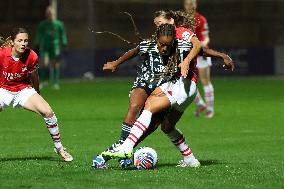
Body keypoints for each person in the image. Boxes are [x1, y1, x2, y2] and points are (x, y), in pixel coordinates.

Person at [93, 11, 234, 169]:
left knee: (150, 106)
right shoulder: (154, 41)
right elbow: (136, 50)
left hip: (183, 85)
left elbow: (200, 48)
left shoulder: (181, 37)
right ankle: (190, 160)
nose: (164, 48)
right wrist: (224, 56)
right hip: (183, 88)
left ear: (171, 23)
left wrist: (192, 60)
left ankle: (125, 147)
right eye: (157, 24)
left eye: (160, 22)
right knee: (167, 127)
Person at [0, 28, 73, 162]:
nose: (23, 43)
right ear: (12, 42)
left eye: (26, 40)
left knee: (48, 112)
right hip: (3, 90)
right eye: (20, 40)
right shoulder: (2, 54)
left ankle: (59, 148)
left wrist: (37, 94)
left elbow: (34, 75)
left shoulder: (31, 56)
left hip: (23, 90)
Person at [184, 0, 215, 118]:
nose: (190, 6)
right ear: (184, 5)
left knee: (205, 81)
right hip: (188, 53)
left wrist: (201, 44)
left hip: (201, 53)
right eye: (188, 3)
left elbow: (206, 38)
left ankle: (210, 109)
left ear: (196, 5)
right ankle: (200, 103)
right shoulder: (182, 20)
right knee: (185, 82)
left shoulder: (201, 19)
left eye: (192, 3)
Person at [35, 6, 68, 90]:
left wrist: (64, 41)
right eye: (48, 13)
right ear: (46, 14)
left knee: (55, 64)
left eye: (51, 13)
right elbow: (39, 34)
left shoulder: (59, 24)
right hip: (45, 46)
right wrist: (37, 42)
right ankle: (42, 81)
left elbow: (62, 34)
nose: (50, 15)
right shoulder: (43, 24)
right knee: (44, 63)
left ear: (54, 14)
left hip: (55, 46)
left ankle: (55, 83)